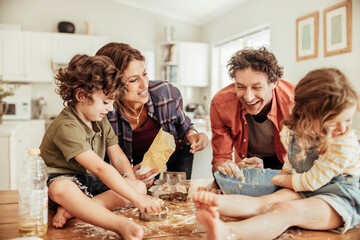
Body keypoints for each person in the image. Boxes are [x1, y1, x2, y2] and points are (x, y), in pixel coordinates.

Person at [193, 68, 360, 240]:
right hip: (308, 189)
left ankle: (229, 233)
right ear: (307, 116)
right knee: (267, 201)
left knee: (287, 210)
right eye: (332, 123)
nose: (343, 128)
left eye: (348, 120)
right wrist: (285, 174)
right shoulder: (294, 130)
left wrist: (281, 179)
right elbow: (292, 160)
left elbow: (312, 181)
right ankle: (214, 204)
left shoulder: (344, 143)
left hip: (340, 198)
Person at [40, 54, 161, 240]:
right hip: (64, 180)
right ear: (81, 95)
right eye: (106, 102)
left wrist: (132, 185)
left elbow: (118, 157)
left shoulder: (100, 120)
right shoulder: (66, 126)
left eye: (113, 102)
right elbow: (99, 167)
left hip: (88, 181)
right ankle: (119, 225)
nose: (111, 109)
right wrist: (136, 200)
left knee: (137, 186)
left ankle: (74, 209)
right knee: (60, 188)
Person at [95, 42, 209, 186]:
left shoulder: (167, 93)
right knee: (144, 192)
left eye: (145, 74)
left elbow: (184, 127)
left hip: (176, 151)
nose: (144, 84)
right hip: (138, 158)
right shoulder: (103, 112)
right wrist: (128, 176)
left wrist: (194, 135)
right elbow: (105, 161)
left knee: (179, 192)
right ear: (112, 84)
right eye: (134, 80)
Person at [210, 47, 295, 178]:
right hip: (248, 163)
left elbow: (310, 162)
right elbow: (220, 158)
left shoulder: (295, 102)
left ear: (274, 83)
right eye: (241, 87)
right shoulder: (221, 104)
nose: (248, 97)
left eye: (257, 87)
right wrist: (226, 169)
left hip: (287, 164)